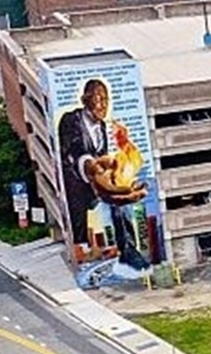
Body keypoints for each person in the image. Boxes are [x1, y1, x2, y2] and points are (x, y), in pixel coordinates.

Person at [57, 79, 145, 245]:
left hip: (98, 186)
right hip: (78, 188)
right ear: (86, 100)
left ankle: (130, 244)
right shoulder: (71, 119)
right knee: (80, 226)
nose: (103, 105)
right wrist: (89, 166)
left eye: (106, 100)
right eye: (99, 99)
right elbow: (69, 154)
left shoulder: (103, 127)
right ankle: (83, 247)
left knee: (121, 206)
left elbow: (102, 157)